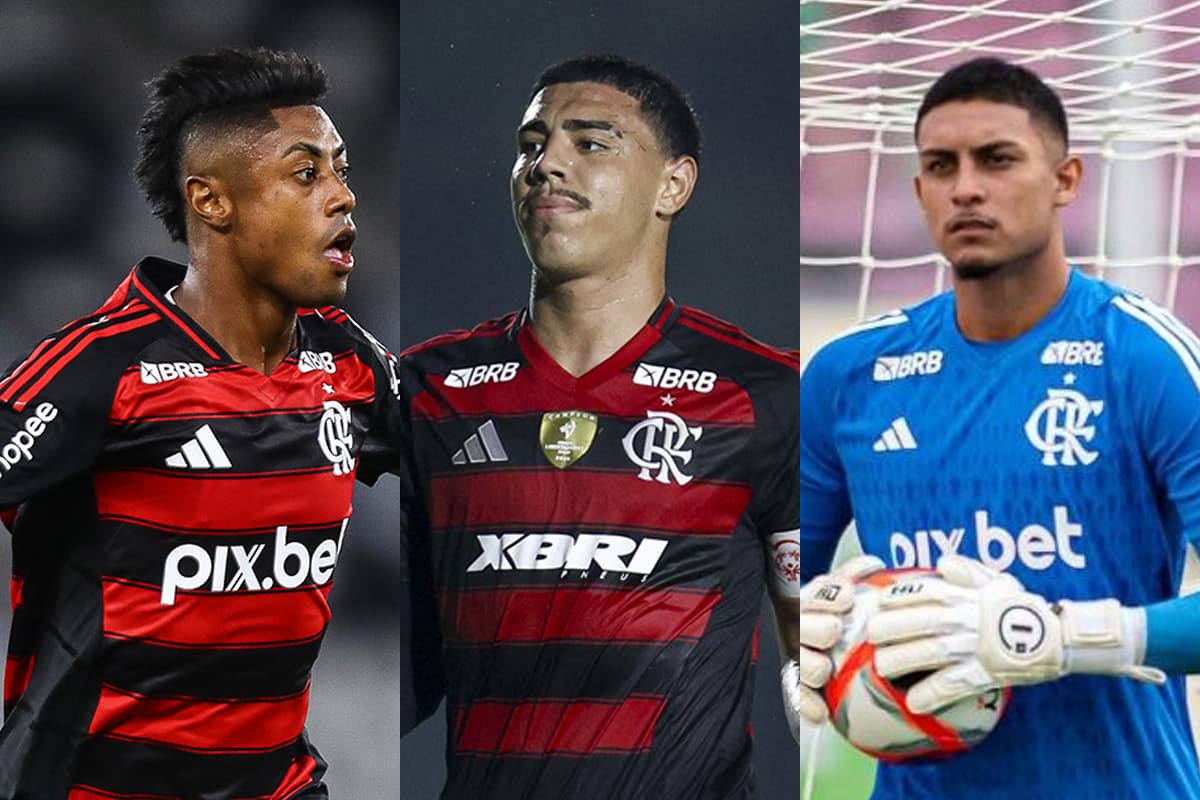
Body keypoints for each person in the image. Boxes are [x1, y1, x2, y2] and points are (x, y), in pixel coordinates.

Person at [0, 47, 402, 798]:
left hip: (278, 785)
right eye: (307, 172)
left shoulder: (350, 363)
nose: (344, 196)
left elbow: (475, 467)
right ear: (213, 202)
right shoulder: (102, 368)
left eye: (343, 169)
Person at [396, 54, 799, 799]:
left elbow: (812, 656)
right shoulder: (426, 392)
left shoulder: (764, 395)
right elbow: (405, 667)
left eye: (590, 142)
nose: (545, 163)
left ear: (673, 185)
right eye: (530, 145)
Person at [797, 56, 1200, 799]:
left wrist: (1059, 637)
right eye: (941, 166)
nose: (967, 187)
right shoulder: (846, 379)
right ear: (919, 192)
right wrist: (807, 646)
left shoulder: (1144, 359)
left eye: (998, 159)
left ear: (1066, 181)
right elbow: (779, 581)